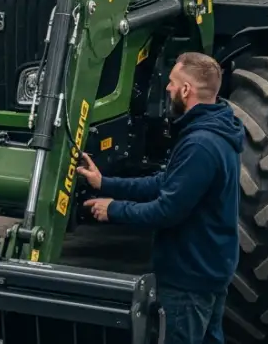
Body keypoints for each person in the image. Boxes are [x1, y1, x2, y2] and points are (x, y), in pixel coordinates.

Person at [78, 52, 244, 344]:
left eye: (171, 82)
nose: (166, 88)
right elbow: (164, 183)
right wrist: (105, 182)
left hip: (189, 281)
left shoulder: (200, 146)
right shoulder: (213, 131)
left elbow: (167, 210)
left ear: (185, 90)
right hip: (208, 273)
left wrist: (114, 210)